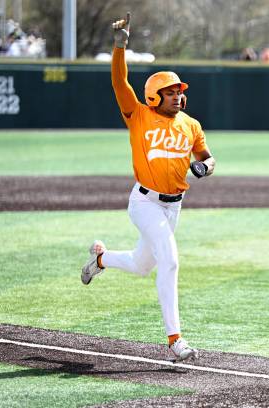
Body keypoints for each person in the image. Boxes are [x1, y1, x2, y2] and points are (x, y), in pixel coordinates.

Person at [81, 12, 216, 363]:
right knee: (169, 261)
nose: (177, 96)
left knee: (143, 265)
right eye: (170, 92)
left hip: (174, 206)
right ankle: (175, 340)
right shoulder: (139, 115)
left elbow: (208, 157)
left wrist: (206, 166)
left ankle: (101, 258)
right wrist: (119, 46)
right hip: (145, 203)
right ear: (155, 96)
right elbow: (118, 82)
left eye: (179, 92)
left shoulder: (191, 125)